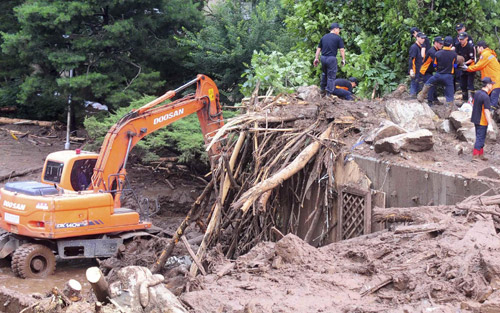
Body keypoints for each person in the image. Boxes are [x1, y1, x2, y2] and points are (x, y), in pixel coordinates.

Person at [417, 36, 457, 116]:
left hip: (438, 74)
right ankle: (448, 114)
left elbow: (435, 64)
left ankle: (421, 96)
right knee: (449, 95)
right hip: (448, 76)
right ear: (451, 45)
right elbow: (455, 66)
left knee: (428, 83)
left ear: (444, 44)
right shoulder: (454, 54)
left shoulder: (437, 53)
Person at [465, 40, 500, 109]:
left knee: (492, 103)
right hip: (495, 80)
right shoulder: (489, 54)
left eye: (477, 47)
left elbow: (478, 66)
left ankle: (490, 117)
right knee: (490, 101)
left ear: (481, 47)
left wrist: (467, 68)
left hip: (495, 81)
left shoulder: (485, 54)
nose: (477, 49)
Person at [314, 22, 346, 96]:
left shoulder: (324, 37)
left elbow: (318, 49)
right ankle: (329, 94)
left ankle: (322, 90)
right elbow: (342, 50)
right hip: (331, 58)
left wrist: (316, 58)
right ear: (335, 29)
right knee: (331, 77)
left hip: (323, 58)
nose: (339, 31)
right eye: (338, 29)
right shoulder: (338, 38)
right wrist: (343, 59)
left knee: (324, 74)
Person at [471, 77, 495, 161]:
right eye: (491, 84)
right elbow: (487, 111)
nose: (492, 86)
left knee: (479, 136)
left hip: (475, 118)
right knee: (480, 138)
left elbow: (473, 104)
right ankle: (475, 156)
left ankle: (481, 154)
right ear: (488, 85)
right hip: (482, 120)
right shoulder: (486, 97)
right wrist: (490, 124)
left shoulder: (477, 93)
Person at [419, 36, 444, 106]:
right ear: (435, 43)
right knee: (431, 84)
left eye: (442, 44)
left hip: (430, 71)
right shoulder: (432, 51)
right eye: (440, 43)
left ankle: (435, 99)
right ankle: (430, 102)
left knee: (434, 83)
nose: (441, 45)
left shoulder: (438, 50)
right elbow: (436, 63)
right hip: (425, 71)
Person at [454, 32, 475, 102]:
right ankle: (464, 99)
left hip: (470, 66)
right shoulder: (458, 45)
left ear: (466, 38)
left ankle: (472, 99)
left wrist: (465, 63)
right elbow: (456, 55)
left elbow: (472, 59)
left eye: (462, 39)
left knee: (470, 84)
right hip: (461, 67)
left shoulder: (470, 46)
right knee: (463, 84)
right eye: (460, 39)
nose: (461, 41)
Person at [408, 32, 427, 98]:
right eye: (421, 38)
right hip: (415, 70)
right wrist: (411, 70)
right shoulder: (414, 47)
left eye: (424, 38)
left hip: (419, 69)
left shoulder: (420, 47)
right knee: (414, 84)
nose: (423, 40)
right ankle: (412, 98)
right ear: (417, 38)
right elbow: (411, 59)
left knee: (418, 85)